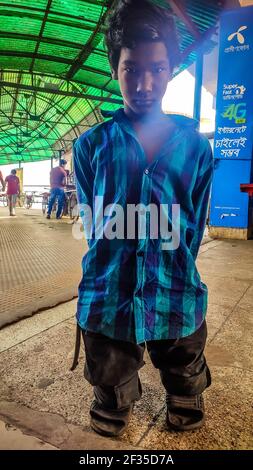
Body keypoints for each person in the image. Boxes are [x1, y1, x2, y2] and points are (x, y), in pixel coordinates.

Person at [73, 0, 213, 437]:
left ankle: (184, 394)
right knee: (109, 356)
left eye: (157, 68)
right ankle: (114, 401)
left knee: (182, 349)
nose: (145, 82)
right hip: (108, 284)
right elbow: (92, 222)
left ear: (171, 69)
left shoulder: (196, 148)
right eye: (132, 69)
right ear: (115, 68)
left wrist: (170, 260)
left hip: (174, 282)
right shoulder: (91, 146)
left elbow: (193, 225)